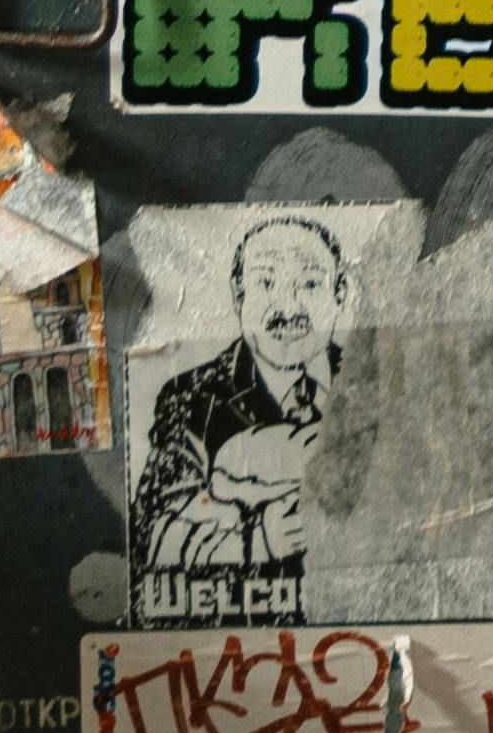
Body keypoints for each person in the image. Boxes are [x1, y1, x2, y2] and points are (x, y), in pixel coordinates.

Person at [132, 218, 354, 614]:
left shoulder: (373, 383)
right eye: (266, 284)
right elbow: (151, 534)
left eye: (309, 284)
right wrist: (258, 539)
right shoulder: (194, 397)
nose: (288, 308)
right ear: (239, 297)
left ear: (340, 294)